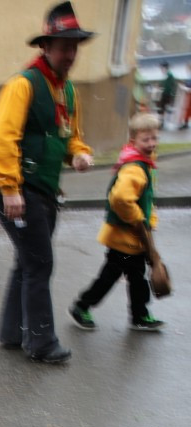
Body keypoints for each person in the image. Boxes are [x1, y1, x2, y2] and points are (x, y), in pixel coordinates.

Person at [0, 2, 94, 364]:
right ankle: (41, 342)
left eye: (74, 46)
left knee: (28, 262)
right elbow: (3, 138)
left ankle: (11, 332)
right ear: (45, 47)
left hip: (45, 191)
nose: (71, 54)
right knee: (39, 264)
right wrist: (10, 188)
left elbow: (69, 135)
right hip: (23, 191)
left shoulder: (67, 91)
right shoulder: (24, 85)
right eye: (64, 46)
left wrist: (77, 153)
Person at [69, 112, 164, 333]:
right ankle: (81, 306)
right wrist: (138, 219)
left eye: (154, 138)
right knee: (111, 276)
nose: (151, 144)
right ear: (134, 141)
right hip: (126, 237)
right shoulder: (134, 167)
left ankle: (139, 315)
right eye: (145, 139)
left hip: (132, 237)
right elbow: (120, 198)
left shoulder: (144, 163)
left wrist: (148, 220)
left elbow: (145, 197)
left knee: (135, 276)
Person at [157, 61, 177, 128]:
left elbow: (170, 86)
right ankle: (162, 122)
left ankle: (162, 122)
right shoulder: (166, 75)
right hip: (164, 94)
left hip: (166, 94)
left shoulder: (169, 75)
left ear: (165, 67)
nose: (161, 69)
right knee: (162, 108)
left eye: (161, 68)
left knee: (162, 108)